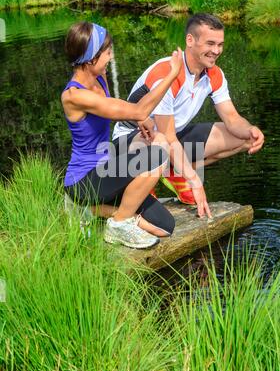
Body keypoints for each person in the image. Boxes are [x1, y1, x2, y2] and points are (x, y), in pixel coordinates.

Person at [113, 13, 265, 218]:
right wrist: (195, 180)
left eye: (220, 44)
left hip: (168, 140)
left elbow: (231, 118)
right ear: (190, 40)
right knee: (161, 143)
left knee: (244, 138)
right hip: (131, 144)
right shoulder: (167, 72)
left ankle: (174, 172)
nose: (216, 51)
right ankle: (146, 181)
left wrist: (250, 129)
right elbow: (166, 136)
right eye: (210, 43)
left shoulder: (214, 74)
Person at [62, 21, 183, 249]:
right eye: (107, 53)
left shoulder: (99, 77)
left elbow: (116, 108)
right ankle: (118, 225)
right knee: (158, 154)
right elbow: (138, 108)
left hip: (106, 170)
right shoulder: (74, 96)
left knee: (164, 227)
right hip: (84, 180)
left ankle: (90, 210)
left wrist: (139, 118)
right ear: (91, 58)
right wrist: (172, 74)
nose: (111, 57)